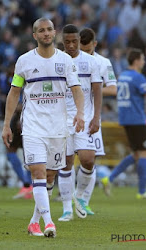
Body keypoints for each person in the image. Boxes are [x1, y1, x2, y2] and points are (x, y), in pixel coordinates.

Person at [2, 18, 84, 237]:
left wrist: (81, 113)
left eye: (49, 29)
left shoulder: (65, 61)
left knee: (49, 177)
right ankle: (49, 223)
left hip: (58, 127)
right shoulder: (24, 61)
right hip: (32, 126)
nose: (46, 33)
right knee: (38, 172)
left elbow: (76, 89)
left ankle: (34, 222)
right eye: (41, 30)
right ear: (34, 35)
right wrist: (6, 124)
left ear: (54, 33)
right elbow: (14, 93)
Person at [58, 24, 102, 222]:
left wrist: (96, 117)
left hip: (85, 117)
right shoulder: (57, 60)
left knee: (88, 160)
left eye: (74, 41)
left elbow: (97, 90)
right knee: (66, 163)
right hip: (62, 119)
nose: (71, 45)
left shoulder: (91, 61)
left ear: (79, 40)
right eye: (67, 42)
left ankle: (80, 197)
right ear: (63, 42)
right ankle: (67, 208)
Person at [79, 28, 117, 214]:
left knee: (89, 160)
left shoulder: (103, 62)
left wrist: (95, 88)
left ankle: (84, 200)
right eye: (81, 50)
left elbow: (113, 89)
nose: (84, 54)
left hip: (93, 117)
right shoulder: (71, 59)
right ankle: (68, 199)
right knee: (67, 160)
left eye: (87, 50)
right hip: (71, 116)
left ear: (94, 44)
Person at [101, 48, 146, 199]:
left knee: (136, 154)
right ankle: (142, 191)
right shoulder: (138, 77)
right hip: (137, 119)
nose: (144, 61)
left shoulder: (123, 76)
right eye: (142, 59)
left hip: (125, 118)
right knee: (143, 154)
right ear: (136, 61)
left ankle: (110, 178)